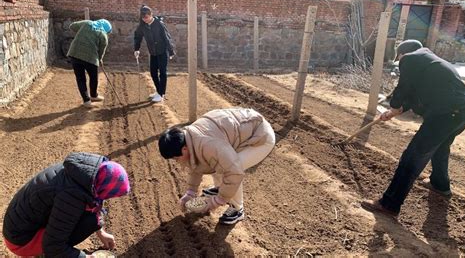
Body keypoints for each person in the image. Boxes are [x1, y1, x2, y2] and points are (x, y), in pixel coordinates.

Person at [362, 39, 465, 217]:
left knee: (412, 156)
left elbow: (403, 88)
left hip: (445, 114)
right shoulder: (430, 63)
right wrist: (393, 111)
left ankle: (389, 204)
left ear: (403, 54)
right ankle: (440, 185)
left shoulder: (411, 59)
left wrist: (394, 105)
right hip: (464, 112)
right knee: (441, 147)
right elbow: (413, 96)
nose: (400, 63)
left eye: (399, 59)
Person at [158, 108, 276, 225]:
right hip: (243, 131)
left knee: (229, 168)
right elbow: (196, 164)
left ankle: (237, 208)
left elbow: (234, 172)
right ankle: (220, 187)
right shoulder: (188, 138)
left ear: (184, 149)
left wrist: (218, 201)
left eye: (176, 158)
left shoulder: (207, 144)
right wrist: (191, 192)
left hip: (260, 137)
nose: (176, 161)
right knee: (218, 162)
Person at [2, 152, 130, 257]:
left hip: (21, 227)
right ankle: (43, 255)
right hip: (21, 241)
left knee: (91, 218)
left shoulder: (83, 175)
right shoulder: (71, 195)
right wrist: (87, 257)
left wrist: (101, 232)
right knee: (88, 221)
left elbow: (92, 206)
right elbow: (53, 246)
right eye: (110, 194)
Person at [134, 5, 175, 103]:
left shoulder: (159, 24)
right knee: (153, 73)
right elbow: (138, 37)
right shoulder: (142, 26)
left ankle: (161, 94)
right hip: (153, 52)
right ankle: (158, 91)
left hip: (162, 52)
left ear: (151, 15)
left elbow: (167, 37)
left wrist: (171, 51)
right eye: (143, 18)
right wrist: (136, 49)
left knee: (163, 73)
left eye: (146, 18)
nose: (145, 20)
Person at [67, 19, 112, 108]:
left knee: (80, 79)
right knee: (94, 77)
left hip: (74, 53)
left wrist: (82, 32)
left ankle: (87, 100)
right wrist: (100, 59)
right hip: (90, 58)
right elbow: (101, 51)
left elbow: (72, 26)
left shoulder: (87, 23)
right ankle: (93, 95)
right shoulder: (103, 35)